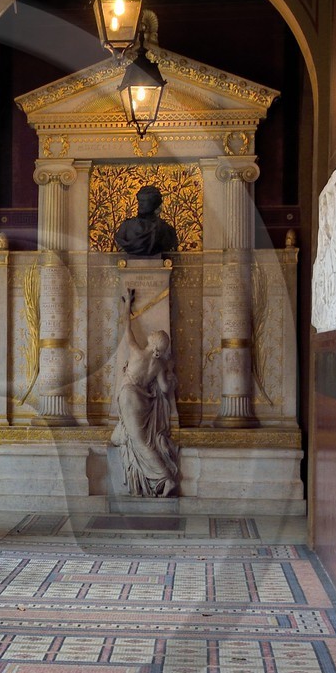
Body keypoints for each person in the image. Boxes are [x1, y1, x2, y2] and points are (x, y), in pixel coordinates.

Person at [109, 289, 180, 497]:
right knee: (128, 438)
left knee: (140, 441)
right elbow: (165, 389)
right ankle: (159, 476)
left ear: (151, 342)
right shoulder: (158, 366)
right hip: (141, 401)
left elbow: (127, 329)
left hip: (129, 395)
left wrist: (126, 307)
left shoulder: (137, 352)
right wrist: (170, 376)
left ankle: (165, 477)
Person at [114, 183, 179, 257]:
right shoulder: (126, 226)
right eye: (140, 201)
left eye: (145, 201)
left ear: (154, 204)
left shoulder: (166, 229)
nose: (140, 204)